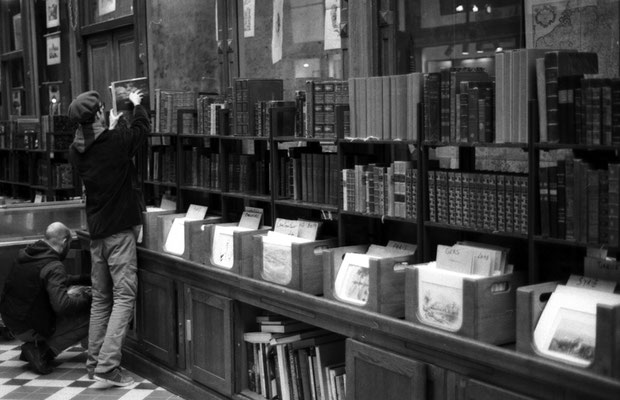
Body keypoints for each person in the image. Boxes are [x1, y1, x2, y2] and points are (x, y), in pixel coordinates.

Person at [68, 88, 150, 387]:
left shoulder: (75, 151)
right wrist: (137, 106)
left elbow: (101, 149)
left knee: (101, 300)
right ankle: (107, 370)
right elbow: (141, 131)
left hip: (97, 234)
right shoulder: (115, 143)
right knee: (124, 297)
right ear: (101, 113)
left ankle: (93, 363)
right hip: (119, 234)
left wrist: (112, 127)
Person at [0, 222, 91, 375]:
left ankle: (34, 346)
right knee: (92, 314)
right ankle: (42, 351)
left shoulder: (28, 254)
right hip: (29, 326)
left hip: (11, 320)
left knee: (74, 294)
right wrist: (88, 298)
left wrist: (81, 279)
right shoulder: (53, 265)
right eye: (69, 243)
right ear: (64, 242)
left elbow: (47, 280)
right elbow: (63, 307)